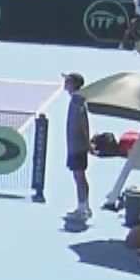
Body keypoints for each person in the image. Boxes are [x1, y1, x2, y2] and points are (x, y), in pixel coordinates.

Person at [62, 73, 92, 221]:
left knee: (79, 177)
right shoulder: (76, 100)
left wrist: (88, 144)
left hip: (77, 147)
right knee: (79, 177)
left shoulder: (77, 102)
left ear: (73, 84)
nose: (65, 83)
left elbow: (83, 124)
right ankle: (84, 206)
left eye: (67, 81)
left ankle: (83, 209)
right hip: (75, 146)